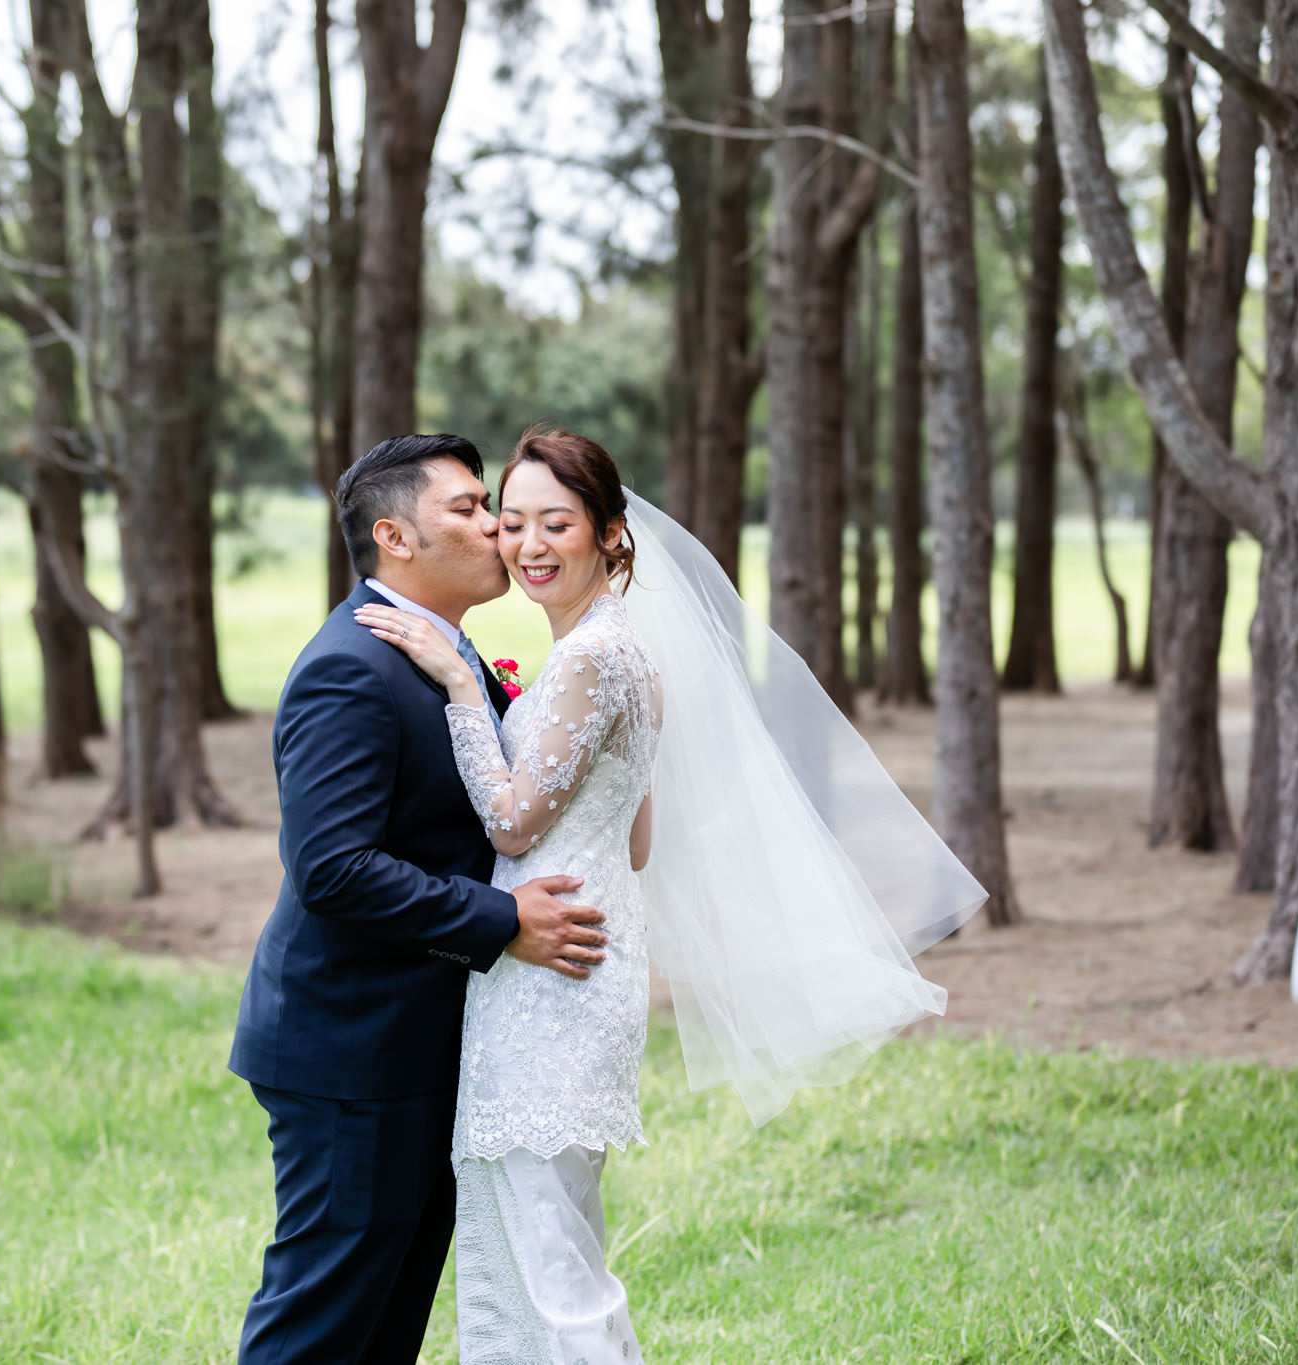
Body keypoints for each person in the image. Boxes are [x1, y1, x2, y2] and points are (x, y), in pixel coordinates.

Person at [357, 425, 987, 1360]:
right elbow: (637, 836)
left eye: (556, 523)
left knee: (546, 1257)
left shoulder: (589, 658)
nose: (526, 543)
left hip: (549, 982)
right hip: (572, 967)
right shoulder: (624, 654)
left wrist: (458, 683)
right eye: (513, 520)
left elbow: (512, 826)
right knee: (543, 1239)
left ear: (611, 533)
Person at [229, 433, 614, 1365]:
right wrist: (504, 921)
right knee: (323, 1321)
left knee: (387, 1320)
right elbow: (333, 867)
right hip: (351, 1052)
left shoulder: (446, 650)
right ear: (395, 537)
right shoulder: (349, 669)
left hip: (422, 1040)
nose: (497, 526)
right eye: (472, 508)